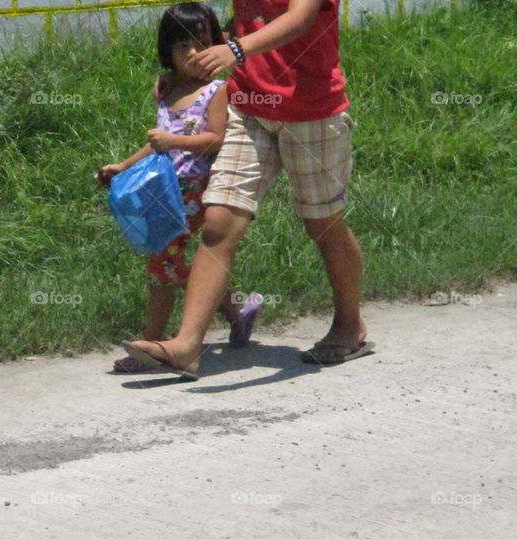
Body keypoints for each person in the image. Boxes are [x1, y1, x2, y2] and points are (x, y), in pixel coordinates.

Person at [124, 0, 373, 379]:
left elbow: (299, 19)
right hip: (249, 108)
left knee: (322, 223)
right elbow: (245, 21)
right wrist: (190, 69)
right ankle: (187, 345)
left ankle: (349, 325)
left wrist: (235, 49)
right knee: (219, 222)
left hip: (312, 111)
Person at [97, 2, 262, 375]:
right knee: (174, 265)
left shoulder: (216, 90)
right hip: (164, 193)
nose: (192, 53)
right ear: (167, 51)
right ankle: (239, 311)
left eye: (200, 43)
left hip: (196, 192)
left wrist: (174, 141)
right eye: (181, 46)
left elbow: (216, 140)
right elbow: (157, 142)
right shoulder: (168, 91)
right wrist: (123, 166)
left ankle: (152, 342)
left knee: (167, 266)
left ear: (216, 44)